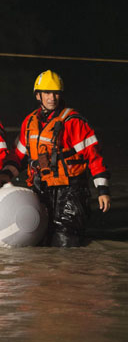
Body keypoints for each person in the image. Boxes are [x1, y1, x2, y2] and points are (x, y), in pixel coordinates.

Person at [14, 70, 111, 247]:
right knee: (39, 242)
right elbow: (19, 158)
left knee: (66, 245)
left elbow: (94, 156)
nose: (52, 97)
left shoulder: (74, 121)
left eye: (56, 93)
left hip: (70, 191)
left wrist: (103, 190)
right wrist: (3, 176)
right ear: (38, 95)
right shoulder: (29, 122)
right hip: (40, 189)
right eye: (47, 93)